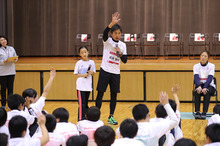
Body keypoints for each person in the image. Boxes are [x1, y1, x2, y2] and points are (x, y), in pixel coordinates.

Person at [96, 12, 127, 125]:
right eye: (115, 33)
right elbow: (104, 33)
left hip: (115, 73)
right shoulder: (107, 41)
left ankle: (111, 116)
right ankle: (96, 116)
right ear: (112, 34)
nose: (117, 35)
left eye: (119, 33)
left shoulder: (123, 45)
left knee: (114, 95)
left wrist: (120, 53)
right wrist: (111, 23)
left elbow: (125, 60)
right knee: (100, 93)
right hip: (105, 70)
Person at [74, 46, 96, 121]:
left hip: (88, 86)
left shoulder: (92, 62)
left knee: (86, 104)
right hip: (80, 86)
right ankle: (80, 119)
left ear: (88, 52)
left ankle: (86, 118)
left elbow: (94, 73)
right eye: (82, 53)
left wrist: (92, 72)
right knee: (81, 104)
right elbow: (76, 74)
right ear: (80, 54)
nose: (84, 54)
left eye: (85, 52)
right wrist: (83, 75)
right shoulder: (78, 63)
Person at [193, 50, 216, 119]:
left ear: (207, 58)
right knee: (197, 91)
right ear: (200, 57)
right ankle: (197, 112)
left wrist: (205, 87)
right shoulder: (196, 66)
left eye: (205, 56)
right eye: (202, 55)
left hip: (210, 86)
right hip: (200, 85)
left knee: (207, 92)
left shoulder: (211, 66)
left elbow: (210, 78)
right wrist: (199, 86)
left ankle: (204, 112)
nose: (203, 57)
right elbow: (196, 77)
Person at [0, 36, 18, 108]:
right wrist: (3, 62)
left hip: (11, 71)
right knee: (3, 89)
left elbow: (15, 57)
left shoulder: (11, 48)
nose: (3, 41)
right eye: (1, 40)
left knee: (10, 89)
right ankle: (3, 105)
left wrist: (14, 59)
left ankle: (10, 104)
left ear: (6, 40)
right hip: (2, 72)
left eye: (4, 39)